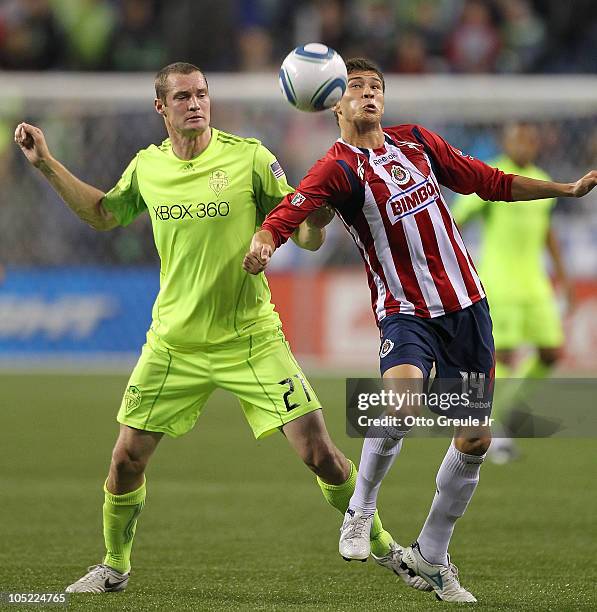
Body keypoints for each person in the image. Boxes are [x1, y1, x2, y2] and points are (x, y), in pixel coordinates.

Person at [14, 62, 426, 594]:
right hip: (173, 344)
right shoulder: (147, 168)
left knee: (321, 455)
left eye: (202, 93)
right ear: (161, 108)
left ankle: (386, 544)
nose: (196, 103)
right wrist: (46, 163)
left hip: (250, 337)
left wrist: (315, 218)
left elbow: (304, 235)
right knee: (125, 460)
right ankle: (114, 565)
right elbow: (102, 215)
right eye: (183, 96)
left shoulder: (249, 156)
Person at [244, 57, 597, 603]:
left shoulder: (418, 143)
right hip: (405, 309)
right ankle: (360, 508)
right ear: (333, 100)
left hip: (467, 307)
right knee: (402, 401)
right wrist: (267, 238)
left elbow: (489, 181)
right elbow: (296, 208)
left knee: (474, 437)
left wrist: (567, 189)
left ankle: (432, 555)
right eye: (356, 86)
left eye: (376, 86)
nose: (369, 94)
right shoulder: (336, 167)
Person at [451, 122, 572, 463]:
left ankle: (502, 409)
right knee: (501, 358)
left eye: (531, 139)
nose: (525, 145)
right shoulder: (492, 179)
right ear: (506, 143)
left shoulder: (540, 178)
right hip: (499, 284)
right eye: (519, 139)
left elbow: (546, 231)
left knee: (551, 353)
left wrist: (562, 278)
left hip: (535, 285)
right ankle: (490, 423)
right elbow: (457, 220)